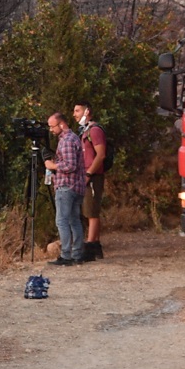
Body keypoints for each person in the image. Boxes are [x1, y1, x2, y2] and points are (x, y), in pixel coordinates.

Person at [42, 112, 85, 265]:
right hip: (76, 186)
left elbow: (70, 165)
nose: (51, 130)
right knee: (74, 220)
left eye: (52, 126)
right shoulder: (73, 138)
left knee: (62, 221)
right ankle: (77, 254)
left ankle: (66, 255)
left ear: (61, 124)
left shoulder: (66, 141)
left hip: (67, 186)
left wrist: (52, 165)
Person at [73, 102, 108, 260]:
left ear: (87, 111)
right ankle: (96, 246)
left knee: (91, 212)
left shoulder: (94, 130)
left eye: (77, 110)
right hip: (86, 174)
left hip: (93, 176)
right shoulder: (84, 131)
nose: (75, 114)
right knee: (88, 210)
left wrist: (88, 173)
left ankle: (90, 246)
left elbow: (101, 155)